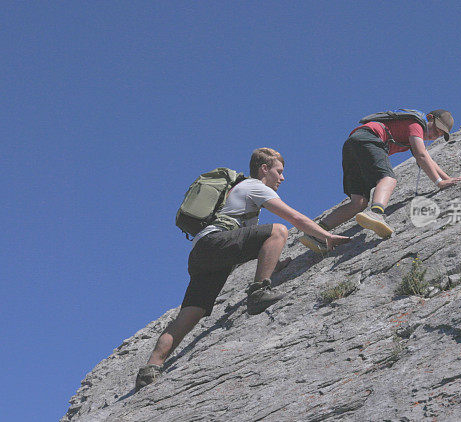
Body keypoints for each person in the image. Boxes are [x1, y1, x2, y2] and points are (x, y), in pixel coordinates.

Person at [135, 147, 350, 390]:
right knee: (279, 229)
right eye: (279, 172)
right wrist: (325, 236)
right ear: (264, 169)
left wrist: (275, 264)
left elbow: (248, 244)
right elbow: (294, 219)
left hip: (204, 253)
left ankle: (150, 368)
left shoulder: (244, 200)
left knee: (191, 313)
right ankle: (258, 292)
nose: (282, 178)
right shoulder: (255, 187)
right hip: (214, 243)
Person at [300, 110, 461, 253]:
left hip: (352, 145)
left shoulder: (413, 133)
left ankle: (316, 232)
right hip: (368, 139)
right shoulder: (416, 124)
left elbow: (426, 158)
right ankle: (376, 213)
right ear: (429, 118)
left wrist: (447, 179)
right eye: (436, 129)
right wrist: (439, 183)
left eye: (439, 134)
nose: (435, 135)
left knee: (359, 202)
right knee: (388, 179)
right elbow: (422, 156)